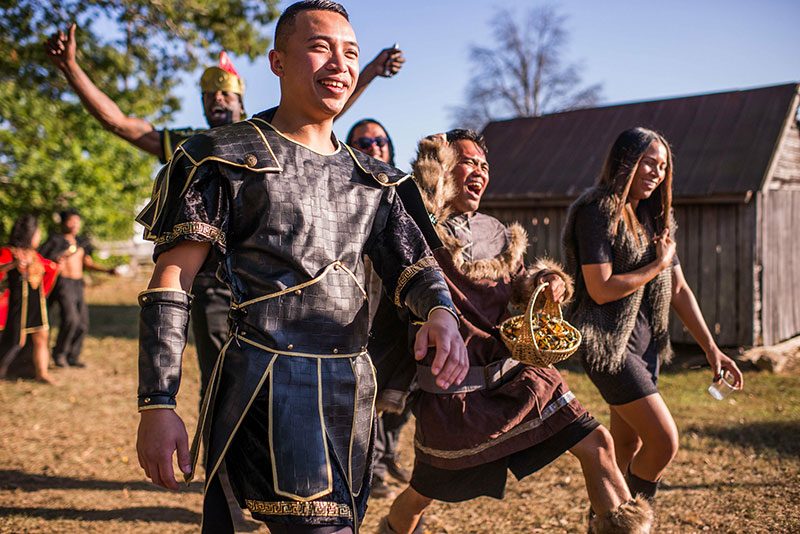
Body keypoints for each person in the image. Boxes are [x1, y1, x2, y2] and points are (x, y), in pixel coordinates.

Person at [133, 2, 467, 533]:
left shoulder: (375, 179)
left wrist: (441, 313)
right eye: (320, 47)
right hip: (266, 386)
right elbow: (173, 280)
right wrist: (157, 402)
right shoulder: (223, 157)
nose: (340, 62)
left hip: (351, 392)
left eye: (350, 52)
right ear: (277, 62)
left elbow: (415, 266)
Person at [378, 130, 654, 534]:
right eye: (468, 162)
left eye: (484, 166)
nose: (479, 172)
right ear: (444, 166)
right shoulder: (415, 228)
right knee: (422, 494)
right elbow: (417, 202)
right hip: (458, 393)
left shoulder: (495, 232)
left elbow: (522, 287)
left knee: (598, 445)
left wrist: (549, 282)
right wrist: (432, 156)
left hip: (518, 375)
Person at [562, 127, 744, 510]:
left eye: (662, 167)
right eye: (648, 162)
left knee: (628, 447)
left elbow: (678, 289)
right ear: (625, 161)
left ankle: (604, 523)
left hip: (646, 347)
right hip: (609, 347)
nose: (656, 173)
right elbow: (601, 288)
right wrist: (657, 262)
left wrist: (712, 350)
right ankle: (631, 521)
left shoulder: (655, 218)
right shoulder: (597, 211)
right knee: (665, 442)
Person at [345, 119, 412, 499]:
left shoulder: (402, 189)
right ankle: (367, 466)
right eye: (363, 141)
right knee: (362, 392)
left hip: (394, 305)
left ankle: (384, 457)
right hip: (352, 304)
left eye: (380, 140)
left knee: (396, 389)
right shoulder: (337, 186)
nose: (373, 146)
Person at [38, 208, 116, 368]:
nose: (74, 224)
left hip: (77, 284)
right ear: (63, 223)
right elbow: (44, 260)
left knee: (82, 323)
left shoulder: (81, 242)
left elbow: (87, 263)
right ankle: (59, 354)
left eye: (77, 221)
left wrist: (107, 270)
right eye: (71, 221)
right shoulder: (55, 241)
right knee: (70, 319)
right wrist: (61, 255)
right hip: (63, 284)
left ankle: (73, 356)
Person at [0, 215, 58, 384]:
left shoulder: (34, 255)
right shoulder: (8, 252)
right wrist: (12, 264)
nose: (39, 236)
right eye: (37, 233)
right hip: (16, 305)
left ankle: (42, 373)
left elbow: (47, 273)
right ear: (29, 233)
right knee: (17, 341)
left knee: (42, 337)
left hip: (36, 305)